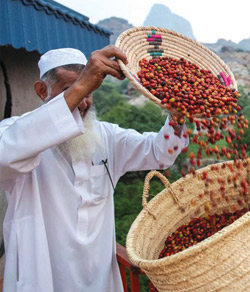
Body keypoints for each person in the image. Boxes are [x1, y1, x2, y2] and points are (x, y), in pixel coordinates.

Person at [0, 46, 189, 291]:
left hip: (100, 277)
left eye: (90, 91)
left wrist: (177, 117)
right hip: (43, 277)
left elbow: (160, 153)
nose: (83, 101)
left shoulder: (106, 136)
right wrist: (81, 87)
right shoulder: (17, 133)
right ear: (41, 90)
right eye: (71, 89)